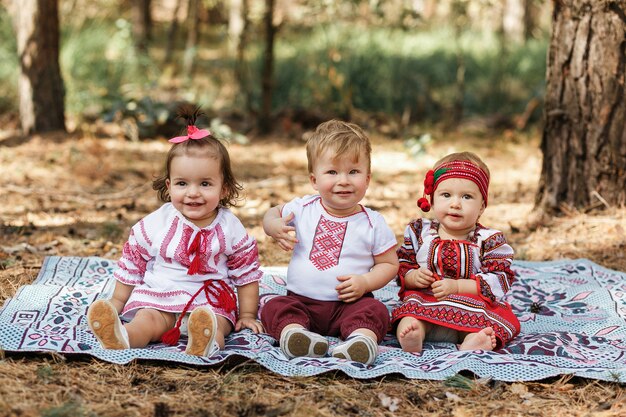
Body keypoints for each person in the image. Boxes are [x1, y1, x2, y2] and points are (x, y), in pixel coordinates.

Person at [87, 106, 263, 356]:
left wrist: (246, 314)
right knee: (146, 321)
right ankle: (123, 337)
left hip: (207, 301)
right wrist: (117, 301)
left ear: (224, 188)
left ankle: (205, 342)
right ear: (169, 186)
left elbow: (246, 272)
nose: (193, 192)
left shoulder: (229, 227)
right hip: (161, 296)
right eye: (182, 183)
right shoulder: (159, 221)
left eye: (205, 184)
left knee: (218, 324)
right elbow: (133, 260)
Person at [260, 119, 399, 366]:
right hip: (301, 301)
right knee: (274, 305)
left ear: (367, 178)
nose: (343, 180)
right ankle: (296, 336)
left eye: (353, 172)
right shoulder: (303, 208)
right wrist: (273, 227)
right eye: (332, 172)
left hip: (349, 304)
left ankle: (360, 341)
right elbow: (272, 213)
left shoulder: (372, 223)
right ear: (314, 179)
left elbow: (389, 264)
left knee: (375, 311)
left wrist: (365, 281)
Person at [392, 151, 520, 353]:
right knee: (410, 313)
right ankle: (414, 334)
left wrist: (458, 286)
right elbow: (402, 265)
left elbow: (500, 278)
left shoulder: (489, 240)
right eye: (446, 195)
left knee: (488, 319)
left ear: (482, 207)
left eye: (467, 197)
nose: (455, 203)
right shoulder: (419, 232)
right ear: (432, 200)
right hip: (427, 301)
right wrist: (413, 277)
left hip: (469, 305)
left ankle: (472, 341)